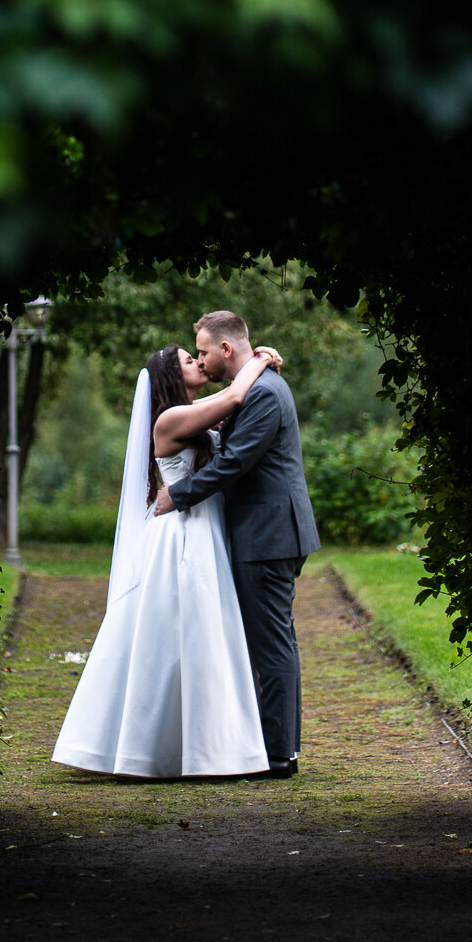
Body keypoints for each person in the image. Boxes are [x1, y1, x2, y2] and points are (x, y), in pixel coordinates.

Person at [51, 340, 282, 779]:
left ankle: (210, 747)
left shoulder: (193, 413)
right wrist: (262, 359)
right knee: (181, 634)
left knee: (205, 634)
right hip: (183, 534)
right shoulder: (170, 419)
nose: (198, 362)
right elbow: (235, 395)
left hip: (206, 528)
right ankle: (161, 750)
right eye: (189, 361)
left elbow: (230, 404)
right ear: (173, 377)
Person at [152, 310, 321, 779]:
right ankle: (272, 747)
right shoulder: (256, 387)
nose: (201, 361)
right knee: (269, 640)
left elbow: (234, 463)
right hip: (263, 531)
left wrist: (177, 495)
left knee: (272, 644)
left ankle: (279, 754)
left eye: (203, 352)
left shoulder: (263, 392)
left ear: (226, 349)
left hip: (268, 534)